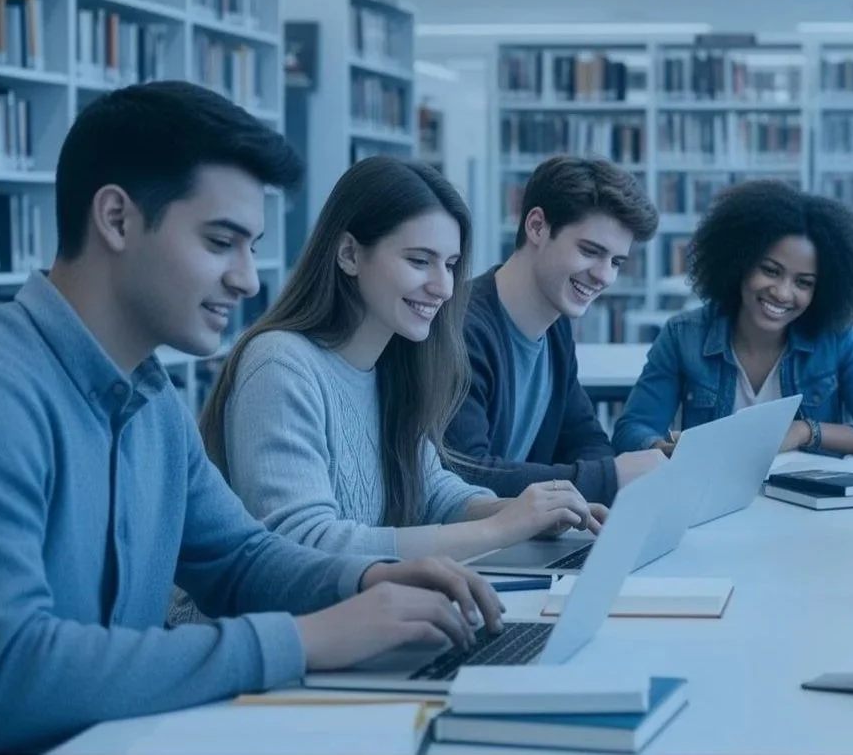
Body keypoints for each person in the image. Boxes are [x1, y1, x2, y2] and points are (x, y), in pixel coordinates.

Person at [0, 82, 503, 755]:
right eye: (221, 242)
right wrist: (309, 637)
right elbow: (7, 679)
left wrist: (368, 581)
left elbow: (239, 557)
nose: (248, 280)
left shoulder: (153, 402)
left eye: (251, 247)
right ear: (116, 218)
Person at [199, 156, 604, 568]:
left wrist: (531, 512)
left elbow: (433, 492)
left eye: (449, 265)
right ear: (349, 254)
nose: (444, 287)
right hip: (266, 629)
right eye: (418, 261)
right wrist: (498, 530)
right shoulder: (280, 366)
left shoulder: (395, 365)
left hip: (359, 619)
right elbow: (300, 546)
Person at [612, 180, 853, 457]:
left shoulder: (835, 339)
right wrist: (667, 450)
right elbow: (631, 432)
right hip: (713, 505)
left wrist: (804, 431)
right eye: (770, 271)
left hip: (808, 507)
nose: (783, 293)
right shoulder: (684, 336)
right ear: (740, 262)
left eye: (804, 283)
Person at [447, 156, 665, 505]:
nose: (605, 276)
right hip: (463, 550)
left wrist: (614, 479)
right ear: (536, 226)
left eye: (616, 262)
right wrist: (611, 477)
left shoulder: (555, 328)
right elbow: (465, 474)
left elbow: (584, 437)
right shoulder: (461, 330)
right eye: (590, 251)